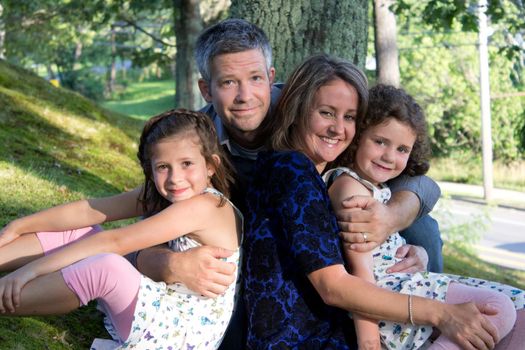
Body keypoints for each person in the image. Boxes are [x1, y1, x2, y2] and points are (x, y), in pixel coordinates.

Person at [0, 18, 435, 349]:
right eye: (229, 83)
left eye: (256, 79)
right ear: (206, 88)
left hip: (303, 258)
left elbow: (414, 177)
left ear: (272, 75)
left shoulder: (312, 114)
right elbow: (144, 213)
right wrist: (162, 264)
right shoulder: (196, 150)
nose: (246, 96)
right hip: (233, 268)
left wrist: (392, 221)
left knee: (423, 228)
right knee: (103, 245)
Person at [243, 53, 505, 349]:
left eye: (350, 117)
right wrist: (441, 314)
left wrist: (411, 250)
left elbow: (423, 188)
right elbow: (334, 286)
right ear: (297, 110)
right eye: (326, 113)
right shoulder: (291, 170)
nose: (338, 128)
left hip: (336, 329)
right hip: (308, 341)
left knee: (502, 314)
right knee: (500, 312)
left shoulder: (315, 174)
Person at [0, 109, 243, 349]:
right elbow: (89, 211)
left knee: (107, 266)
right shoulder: (169, 194)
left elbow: (115, 242)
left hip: (179, 333)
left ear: (211, 165)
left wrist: (29, 271)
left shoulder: (205, 206)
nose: (175, 178)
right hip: (160, 305)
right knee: (81, 232)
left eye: (187, 163)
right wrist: (19, 225)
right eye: (162, 167)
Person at [323, 84, 524, 349]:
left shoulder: (374, 185)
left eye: (402, 149)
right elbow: (361, 273)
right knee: (499, 308)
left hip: (411, 283)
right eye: (380, 141)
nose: (389, 156)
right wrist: (369, 342)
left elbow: (428, 188)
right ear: (359, 136)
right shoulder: (351, 188)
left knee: (520, 307)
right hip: (391, 294)